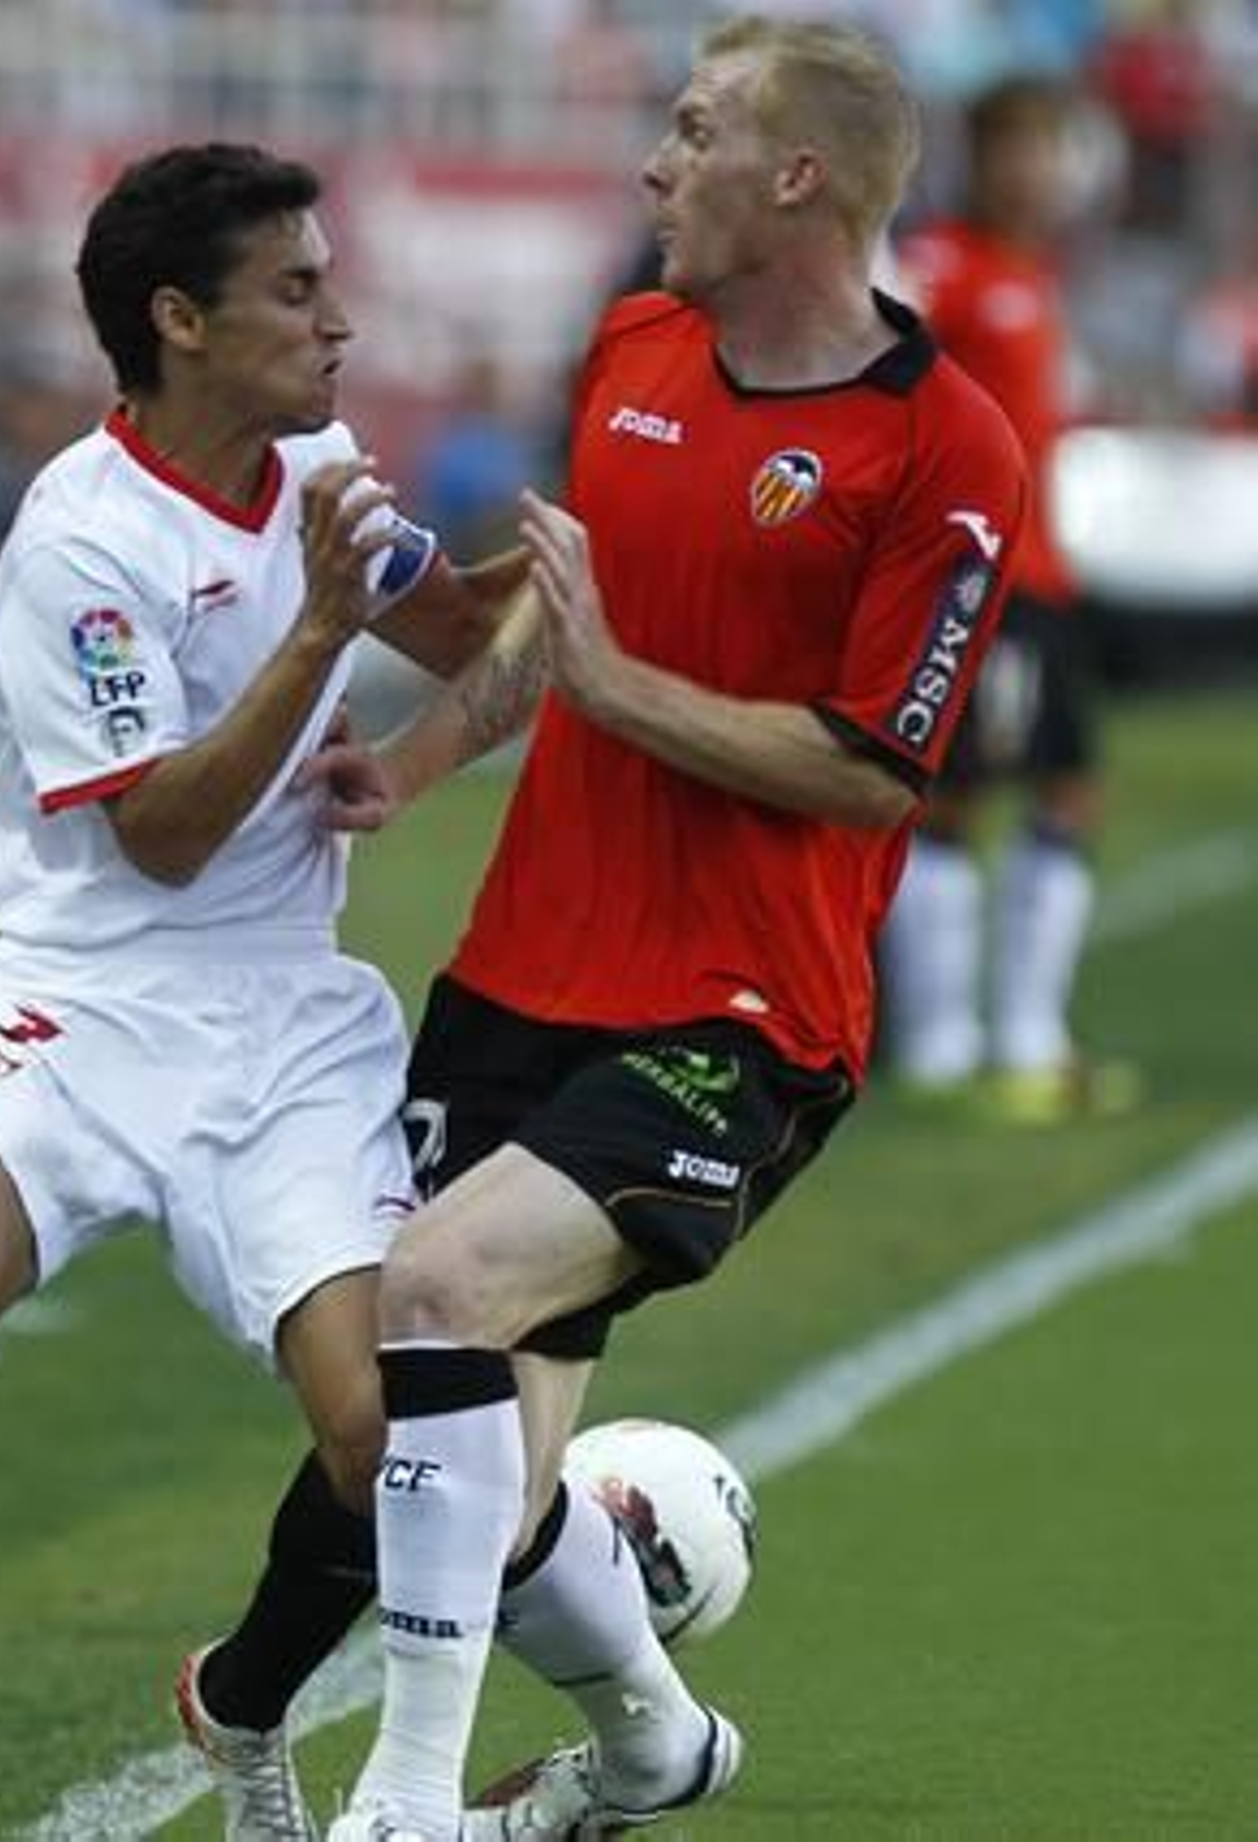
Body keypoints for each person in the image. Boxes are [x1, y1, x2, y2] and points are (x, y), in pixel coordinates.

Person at [0, 141, 528, 1841]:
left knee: (383, 1442)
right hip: (82, 991)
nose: (340, 323)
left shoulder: (329, 473)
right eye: (297, 290)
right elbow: (164, 839)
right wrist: (315, 636)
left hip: (282, 1017)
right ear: (180, 320)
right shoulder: (78, 544)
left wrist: (563, 598)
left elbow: (472, 632)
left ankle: (246, 1695)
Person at [304, 18, 1026, 1839]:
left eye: (693, 131)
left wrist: (620, 688)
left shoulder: (945, 448)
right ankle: (652, 1744)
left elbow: (875, 771)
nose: (655, 163)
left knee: (437, 1292)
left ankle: (399, 1800)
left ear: (796, 177)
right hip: (521, 967)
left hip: (741, 1008)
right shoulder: (635, 345)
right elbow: (557, 625)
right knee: (468, 1463)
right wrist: (422, 750)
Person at [880, 73, 1135, 1125]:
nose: (1036, 172)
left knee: (1064, 788)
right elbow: (887, 372)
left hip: (1042, 575)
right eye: (1016, 150)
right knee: (957, 796)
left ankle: (1023, 1032)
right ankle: (949, 1043)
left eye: (1048, 150)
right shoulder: (944, 266)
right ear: (977, 159)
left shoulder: (1033, 272)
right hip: (980, 578)